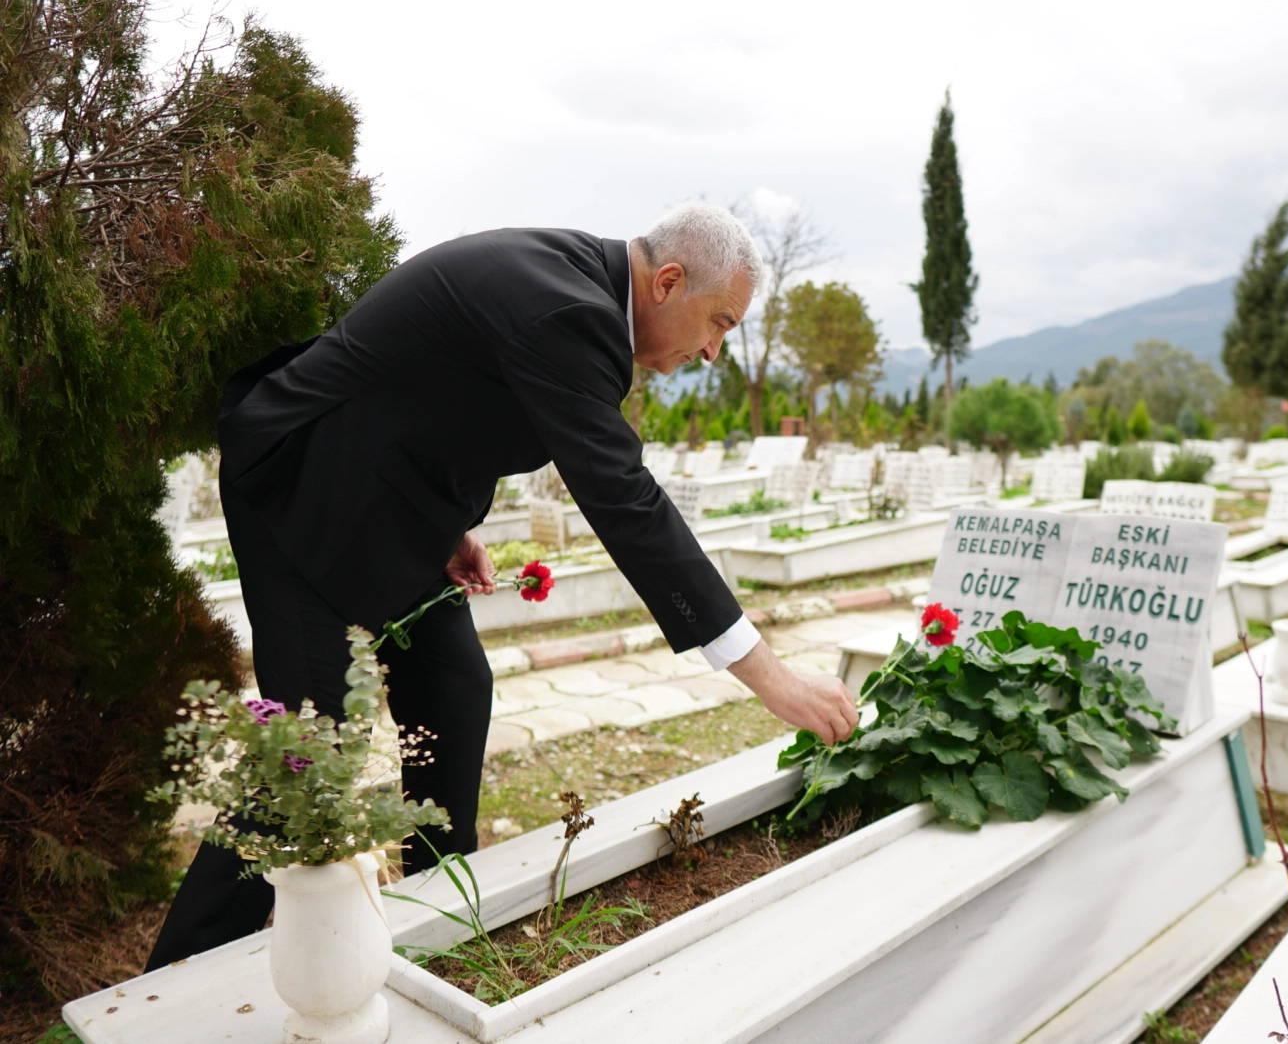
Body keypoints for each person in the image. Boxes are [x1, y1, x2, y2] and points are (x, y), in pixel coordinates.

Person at [144, 204, 857, 970]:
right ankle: (160, 996)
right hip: (302, 486)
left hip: (391, 503)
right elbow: (624, 500)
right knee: (308, 758)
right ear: (669, 281)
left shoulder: (580, 292)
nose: (716, 350)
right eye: (718, 321)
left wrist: (449, 522)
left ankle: (434, 919)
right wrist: (770, 676)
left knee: (452, 685)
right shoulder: (571, 309)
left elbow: (442, 387)